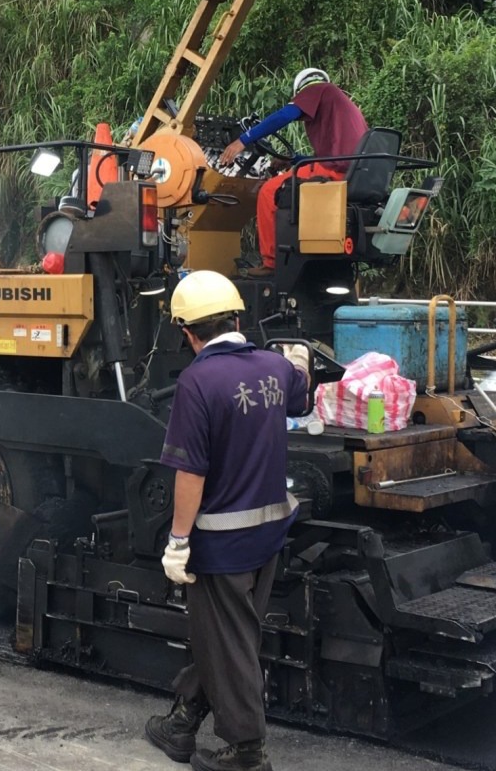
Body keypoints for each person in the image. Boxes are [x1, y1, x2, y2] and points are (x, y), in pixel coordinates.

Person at [144, 270, 311, 771]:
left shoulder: (197, 381)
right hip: (270, 533)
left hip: (221, 543)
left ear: (188, 333)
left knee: (228, 638)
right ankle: (183, 721)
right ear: (239, 317)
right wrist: (299, 362)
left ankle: (246, 751)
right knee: (229, 636)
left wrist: (177, 542)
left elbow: (190, 474)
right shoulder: (273, 367)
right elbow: (301, 394)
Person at [216, 68, 369, 277]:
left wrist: (242, 140)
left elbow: (284, 115)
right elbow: (330, 155)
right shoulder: (342, 106)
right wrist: (292, 159)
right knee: (290, 185)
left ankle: (270, 263)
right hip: (353, 173)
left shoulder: (319, 89)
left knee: (269, 192)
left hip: (335, 170)